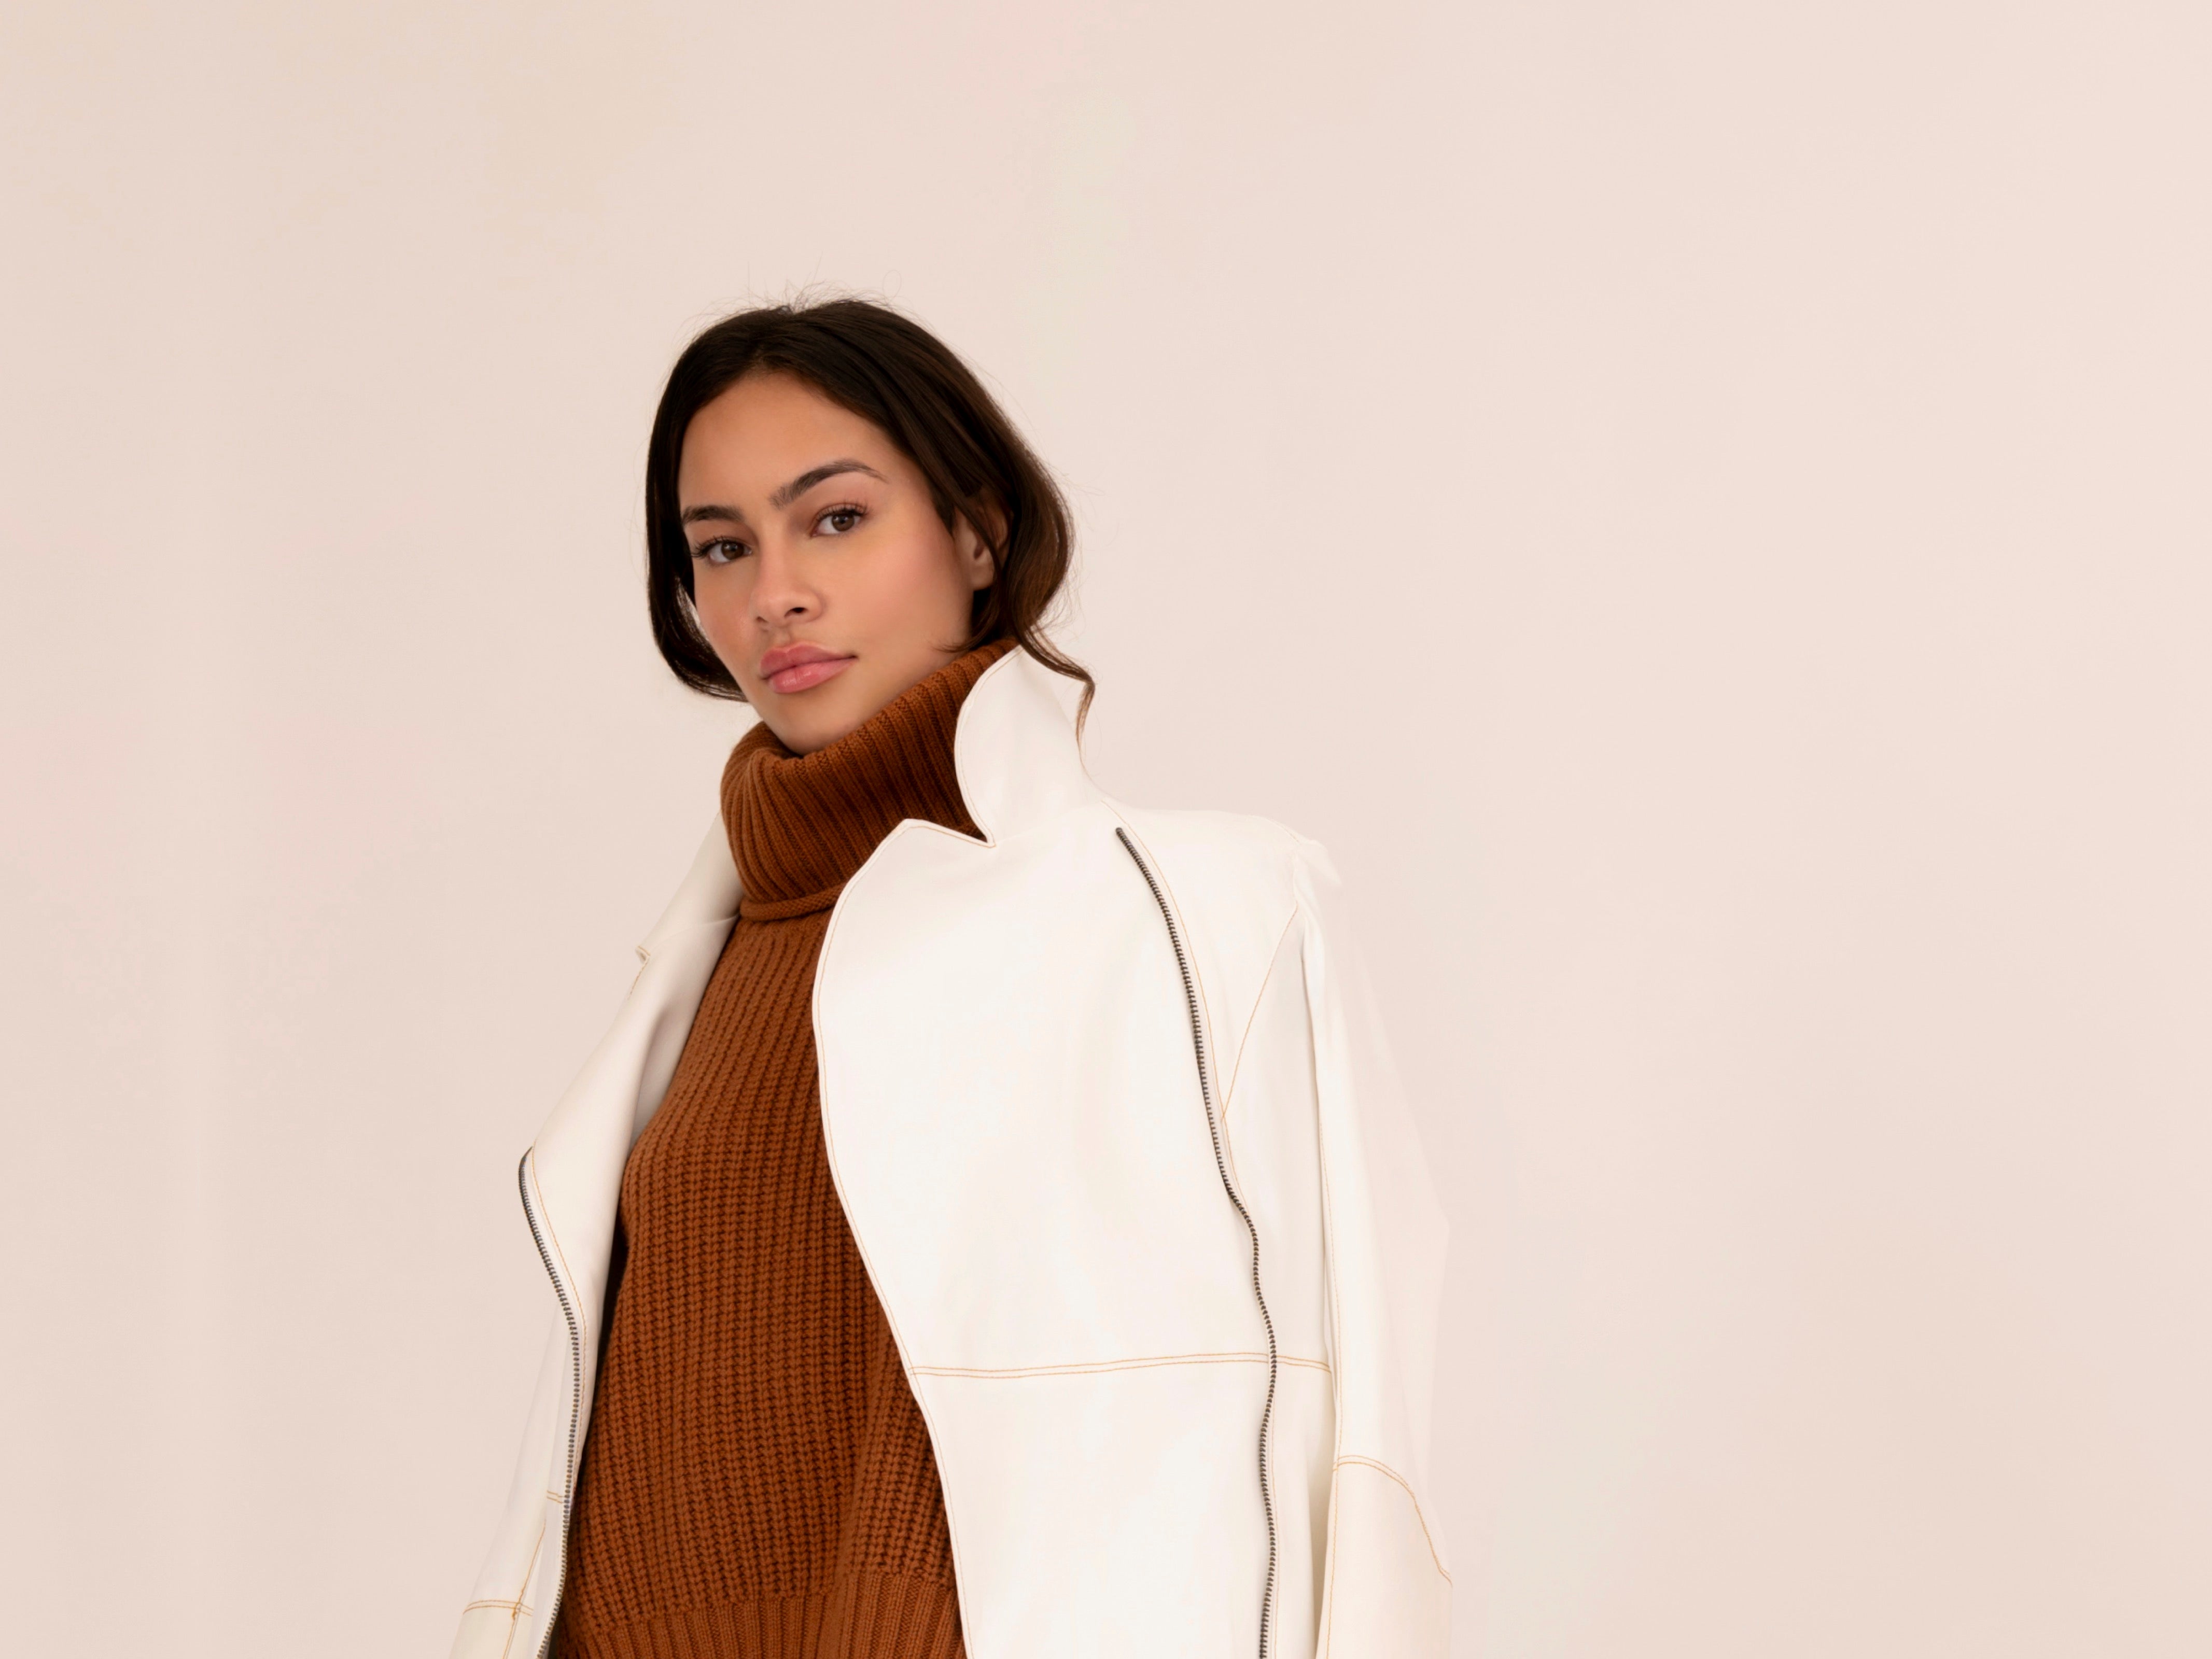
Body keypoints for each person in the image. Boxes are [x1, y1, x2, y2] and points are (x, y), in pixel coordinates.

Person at [447, 296, 1451, 1659]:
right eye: (722, 547)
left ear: (975, 532)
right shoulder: (703, 966)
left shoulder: (1206, 915)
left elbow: (1356, 1458)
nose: (775, 592)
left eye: (835, 519)